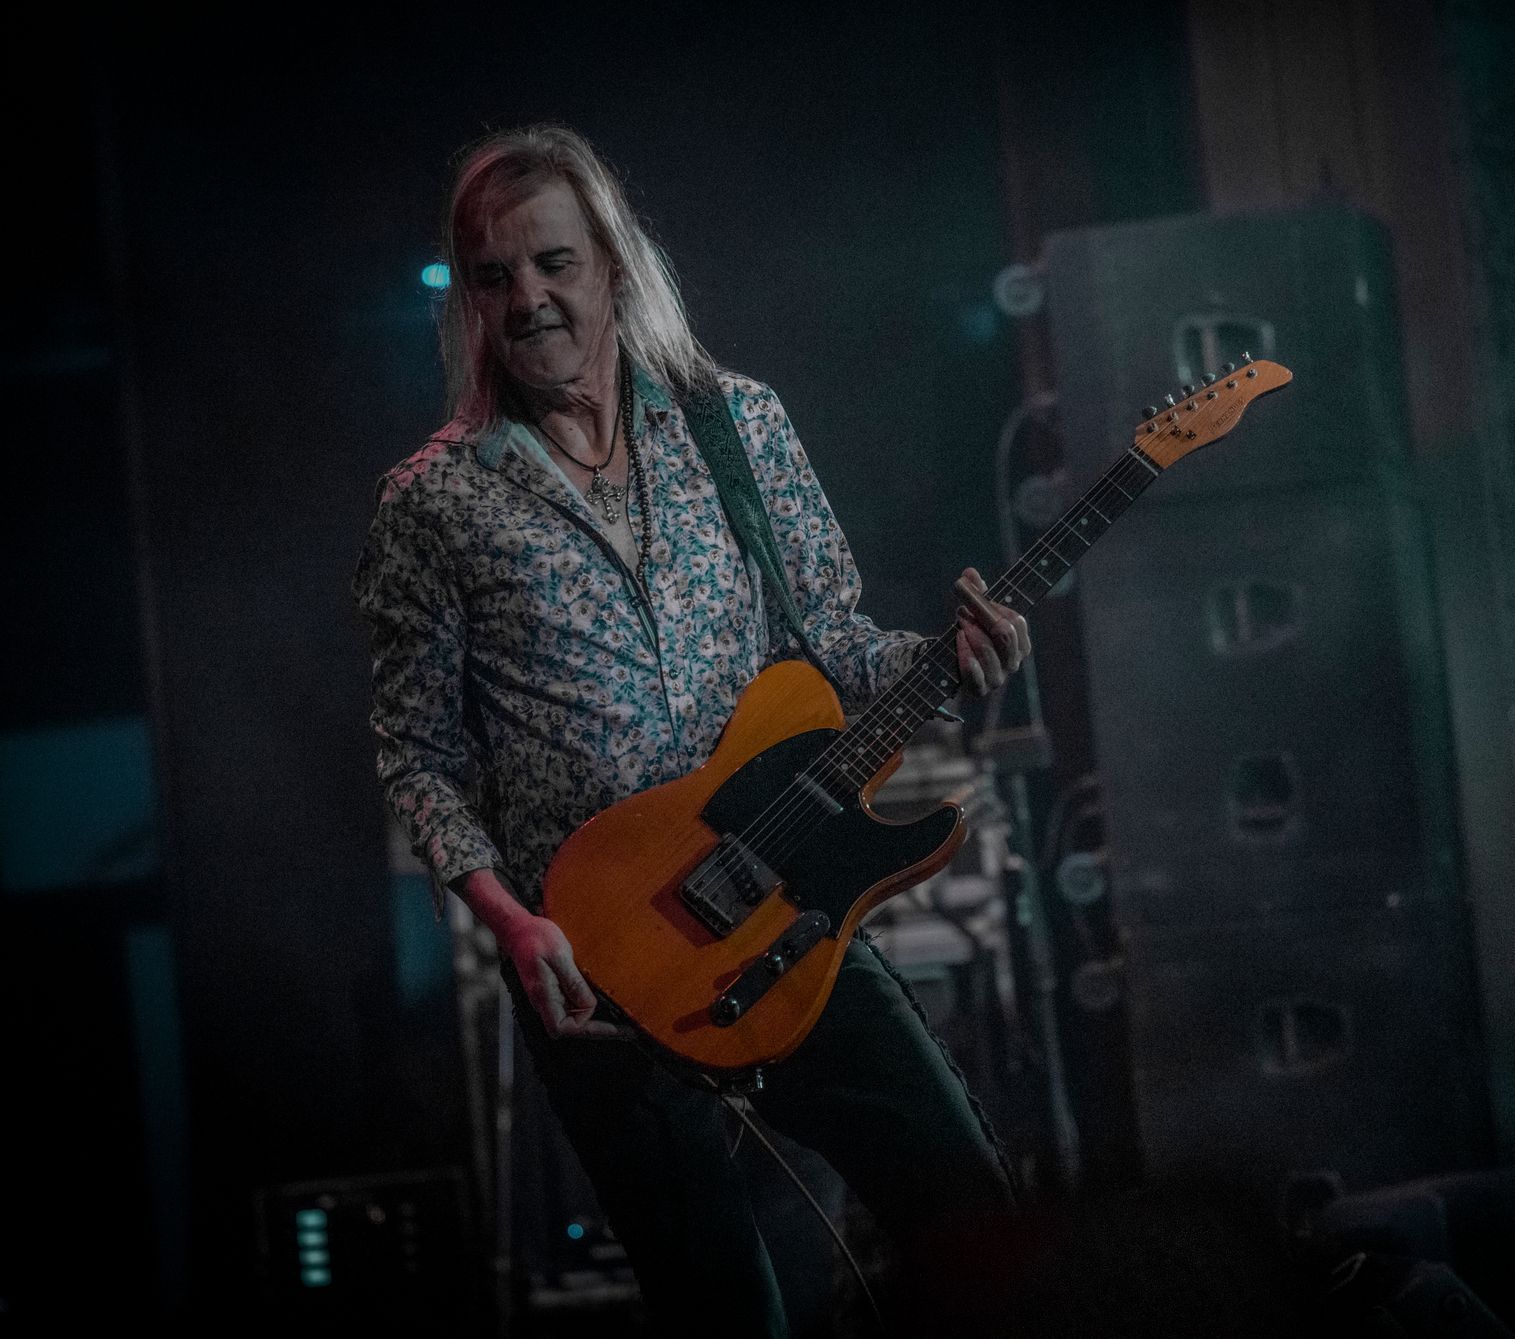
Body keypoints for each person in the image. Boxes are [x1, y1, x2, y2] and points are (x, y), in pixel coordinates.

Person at [351, 123, 1029, 1334]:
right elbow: (417, 757)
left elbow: (837, 646)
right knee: (729, 1311)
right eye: (494, 277)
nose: (530, 300)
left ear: (612, 260)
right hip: (605, 970)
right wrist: (512, 924)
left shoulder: (739, 425)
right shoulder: (432, 502)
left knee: (974, 1223)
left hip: (784, 903)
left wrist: (950, 658)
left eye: (553, 263)